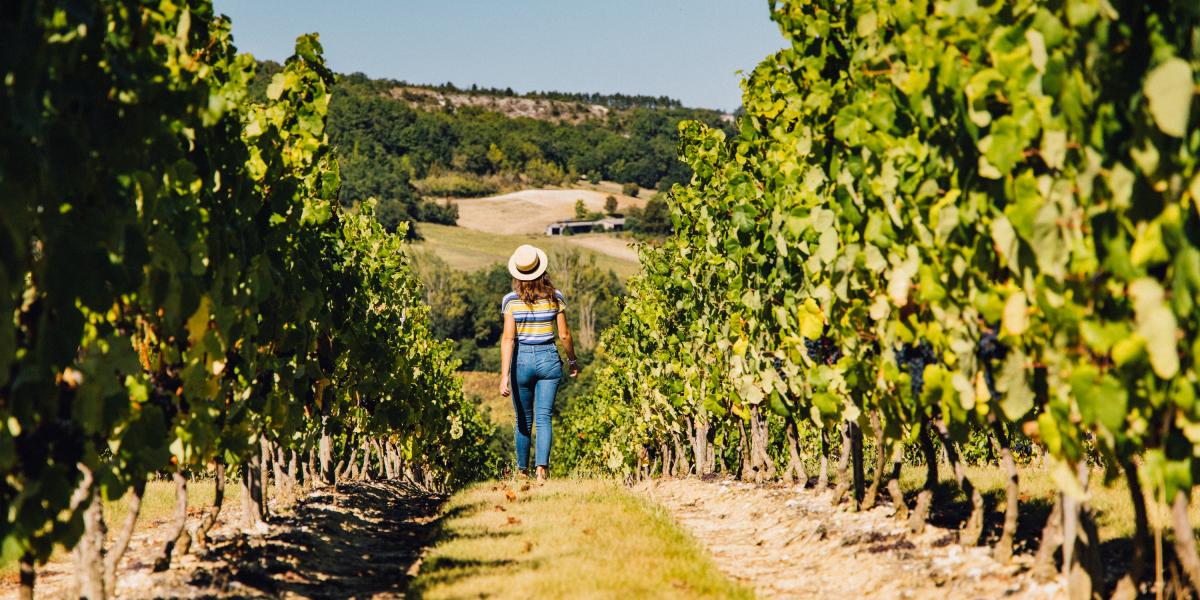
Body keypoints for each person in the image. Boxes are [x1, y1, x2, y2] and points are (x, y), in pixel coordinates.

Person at [499, 244, 579, 482]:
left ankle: (522, 471)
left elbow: (508, 339)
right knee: (544, 417)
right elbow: (564, 335)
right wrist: (572, 360)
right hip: (549, 360)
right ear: (541, 271)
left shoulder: (510, 301)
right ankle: (541, 470)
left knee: (523, 418)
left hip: (521, 361)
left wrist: (504, 375)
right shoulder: (556, 298)